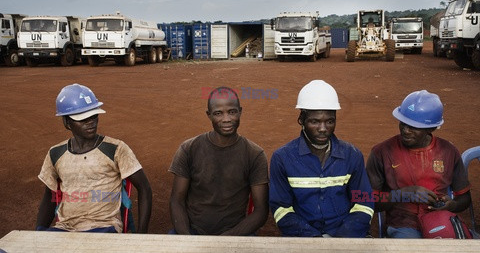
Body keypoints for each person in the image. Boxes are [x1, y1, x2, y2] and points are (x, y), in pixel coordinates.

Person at [36, 83, 152, 233]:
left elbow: (145, 189)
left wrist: (141, 236)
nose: (90, 121)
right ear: (66, 122)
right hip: (65, 229)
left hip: (104, 228)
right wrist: (37, 235)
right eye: (82, 118)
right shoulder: (55, 153)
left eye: (94, 115)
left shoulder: (116, 149)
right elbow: (49, 196)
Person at [269, 80, 374, 237]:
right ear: (301, 120)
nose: (323, 129)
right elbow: (281, 209)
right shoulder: (282, 158)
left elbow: (364, 203)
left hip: (345, 237)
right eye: (315, 121)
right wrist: (315, 239)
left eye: (329, 121)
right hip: (302, 237)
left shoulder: (352, 155)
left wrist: (340, 239)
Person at [366, 90, 471, 238]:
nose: (405, 130)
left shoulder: (448, 151)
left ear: (431, 128)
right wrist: (403, 194)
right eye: (403, 123)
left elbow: (464, 199)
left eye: (413, 126)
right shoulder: (382, 152)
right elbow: (366, 200)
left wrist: (452, 205)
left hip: (441, 220)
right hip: (403, 225)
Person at [169, 86, 269, 235]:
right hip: (192, 231)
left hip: (235, 234)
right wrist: (188, 240)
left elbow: (261, 211)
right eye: (218, 113)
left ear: (240, 111)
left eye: (232, 112)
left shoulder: (254, 154)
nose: (226, 119)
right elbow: (176, 201)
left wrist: (227, 239)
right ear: (208, 115)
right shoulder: (189, 149)